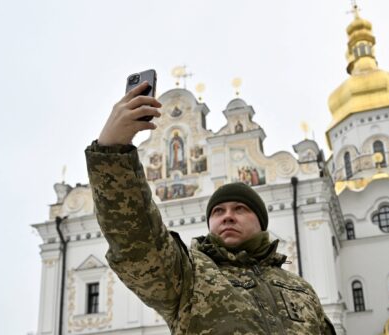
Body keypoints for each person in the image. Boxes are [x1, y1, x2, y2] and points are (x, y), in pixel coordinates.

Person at [85, 81, 335, 334]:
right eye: (218, 211)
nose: (227, 216)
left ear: (261, 222)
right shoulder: (190, 276)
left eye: (240, 209)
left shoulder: (300, 290)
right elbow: (137, 239)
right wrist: (112, 152)